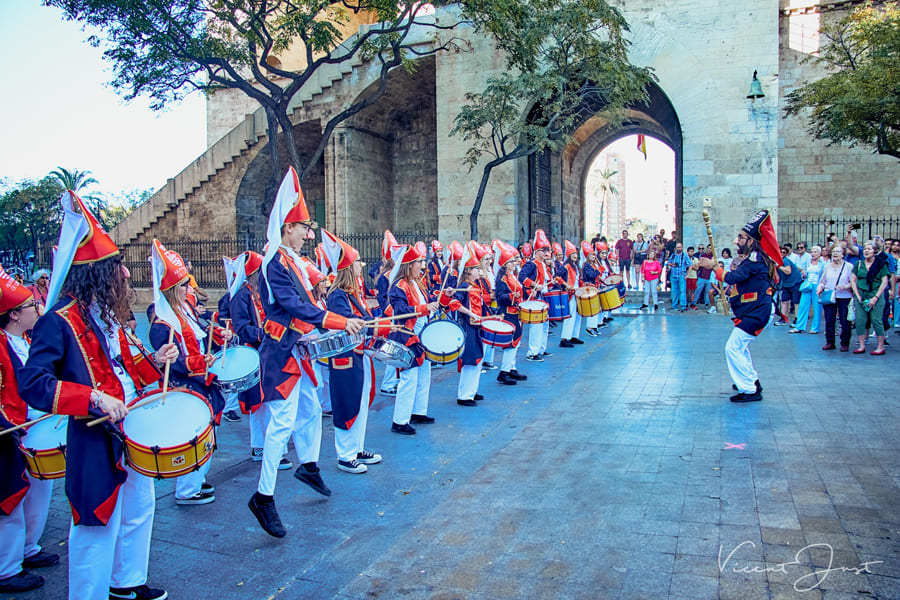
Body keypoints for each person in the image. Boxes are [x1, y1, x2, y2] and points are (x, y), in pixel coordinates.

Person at [18, 190, 178, 600]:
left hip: (130, 427)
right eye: (118, 267)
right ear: (96, 274)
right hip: (94, 437)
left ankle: (126, 583)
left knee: (140, 507)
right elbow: (33, 384)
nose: (125, 275)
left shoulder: (108, 318)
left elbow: (127, 368)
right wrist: (90, 397)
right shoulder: (59, 321)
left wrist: (159, 359)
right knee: (95, 522)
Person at [248, 168, 365, 539]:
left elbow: (311, 297)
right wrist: (337, 321)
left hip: (296, 352)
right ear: (286, 228)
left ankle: (309, 466)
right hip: (281, 356)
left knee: (312, 409)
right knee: (281, 424)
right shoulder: (274, 264)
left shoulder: (291, 261)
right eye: (303, 228)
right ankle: (263, 497)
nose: (308, 234)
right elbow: (296, 306)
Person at [0, 267, 58, 594]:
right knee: (11, 498)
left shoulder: (25, 340)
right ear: (13, 315)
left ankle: (28, 548)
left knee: (39, 490)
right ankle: (6, 569)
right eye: (30, 307)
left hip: (35, 427)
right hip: (12, 433)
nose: (37, 309)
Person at [696, 210, 781, 403]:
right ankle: (750, 380)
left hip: (756, 313)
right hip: (755, 311)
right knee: (739, 348)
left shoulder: (754, 261)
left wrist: (714, 268)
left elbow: (732, 277)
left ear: (751, 241)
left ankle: (750, 389)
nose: (736, 241)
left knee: (732, 348)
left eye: (741, 238)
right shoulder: (754, 260)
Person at [321, 230, 384, 473]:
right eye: (358, 263)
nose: (361, 266)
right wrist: (370, 324)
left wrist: (378, 323)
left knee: (361, 400)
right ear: (349, 266)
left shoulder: (351, 293)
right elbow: (346, 324)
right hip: (345, 357)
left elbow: (365, 319)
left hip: (360, 354)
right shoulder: (337, 296)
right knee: (348, 401)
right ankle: (345, 455)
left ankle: (357, 447)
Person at [228, 251, 290, 469]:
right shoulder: (241, 297)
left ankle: (266, 446)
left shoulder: (260, 293)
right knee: (260, 404)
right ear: (253, 274)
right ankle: (261, 446)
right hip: (253, 354)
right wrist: (266, 332)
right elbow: (243, 329)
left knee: (269, 401)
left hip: (268, 352)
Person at [387, 244, 440, 434]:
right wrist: (425, 309)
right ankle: (400, 420)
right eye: (419, 262)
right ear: (409, 264)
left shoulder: (417, 283)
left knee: (424, 375)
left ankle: (418, 411)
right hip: (407, 336)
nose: (422, 266)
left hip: (421, 335)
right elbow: (400, 311)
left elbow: (425, 301)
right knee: (408, 378)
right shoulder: (398, 286)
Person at [454, 243, 488, 406]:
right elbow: (454, 303)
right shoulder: (463, 286)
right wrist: (470, 313)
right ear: (468, 270)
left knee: (477, 358)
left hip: (476, 325)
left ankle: (472, 391)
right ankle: (464, 395)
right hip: (467, 325)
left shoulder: (475, 286)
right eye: (476, 268)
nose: (479, 271)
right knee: (469, 359)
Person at [494, 243, 528, 385]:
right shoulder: (502, 279)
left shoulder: (513, 276)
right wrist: (510, 296)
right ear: (505, 265)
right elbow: (500, 297)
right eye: (511, 262)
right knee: (511, 343)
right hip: (507, 313)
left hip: (515, 311)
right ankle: (504, 371)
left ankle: (511, 367)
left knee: (516, 341)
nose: (515, 263)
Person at [850, 240, 890, 355]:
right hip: (861, 295)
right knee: (860, 320)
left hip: (875, 294)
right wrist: (857, 296)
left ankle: (880, 347)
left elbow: (884, 281)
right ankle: (862, 345)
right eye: (865, 249)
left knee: (877, 321)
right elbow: (853, 280)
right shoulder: (859, 264)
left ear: (875, 251)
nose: (866, 251)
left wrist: (875, 297)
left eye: (869, 249)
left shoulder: (881, 264)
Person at [519, 230, 553, 361]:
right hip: (534, 298)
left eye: (547, 250)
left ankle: (541, 349)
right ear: (537, 251)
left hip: (543, 298)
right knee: (536, 326)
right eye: (543, 250)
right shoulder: (531, 264)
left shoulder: (544, 264)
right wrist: (533, 285)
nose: (546, 253)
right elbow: (521, 276)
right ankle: (532, 352)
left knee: (544, 325)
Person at [817, 245, 853, 351]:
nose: (835, 254)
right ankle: (830, 342)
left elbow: (854, 282)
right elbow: (822, 281)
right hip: (829, 295)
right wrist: (820, 288)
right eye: (833, 252)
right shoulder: (827, 266)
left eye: (838, 251)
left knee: (844, 320)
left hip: (844, 296)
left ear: (843, 254)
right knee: (829, 320)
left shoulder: (849, 266)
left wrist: (846, 286)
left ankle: (845, 342)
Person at [791, 245, 824, 334]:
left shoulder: (823, 263)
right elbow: (805, 273)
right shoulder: (809, 262)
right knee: (803, 305)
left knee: (817, 307)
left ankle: (815, 328)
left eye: (815, 252)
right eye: (812, 252)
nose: (813, 254)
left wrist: (821, 286)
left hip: (817, 285)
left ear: (819, 253)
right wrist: (803, 274)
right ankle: (799, 326)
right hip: (808, 285)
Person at [556, 240, 583, 346]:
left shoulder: (576, 267)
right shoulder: (566, 266)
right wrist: (567, 285)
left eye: (576, 254)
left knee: (578, 315)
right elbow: (557, 277)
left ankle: (574, 336)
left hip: (577, 293)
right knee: (570, 316)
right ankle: (564, 338)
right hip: (570, 294)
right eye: (573, 254)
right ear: (569, 255)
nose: (575, 256)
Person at [775, 247, 801, 325]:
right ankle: (783, 318)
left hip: (795, 282)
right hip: (786, 283)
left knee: (796, 302)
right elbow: (777, 276)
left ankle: (797, 319)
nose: (782, 254)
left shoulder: (785, 261)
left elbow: (788, 271)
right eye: (780, 252)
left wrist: (778, 266)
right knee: (784, 301)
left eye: (783, 252)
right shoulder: (776, 262)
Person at [666, 243, 691, 311]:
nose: (678, 249)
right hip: (673, 275)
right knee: (674, 292)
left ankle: (683, 306)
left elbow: (690, 265)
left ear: (682, 248)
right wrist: (672, 265)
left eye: (679, 247)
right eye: (677, 247)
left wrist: (687, 275)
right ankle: (674, 306)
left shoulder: (685, 256)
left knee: (682, 291)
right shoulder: (673, 255)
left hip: (681, 276)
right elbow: (668, 263)